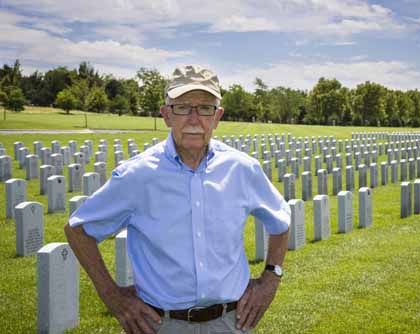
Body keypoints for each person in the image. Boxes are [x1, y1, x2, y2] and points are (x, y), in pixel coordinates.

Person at [64, 64, 291, 334]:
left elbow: (281, 220)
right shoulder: (137, 175)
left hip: (231, 322)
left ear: (217, 117)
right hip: (162, 324)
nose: (194, 119)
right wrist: (111, 295)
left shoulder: (242, 169)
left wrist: (271, 278)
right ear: (166, 115)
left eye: (205, 108)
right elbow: (78, 230)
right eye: (182, 107)